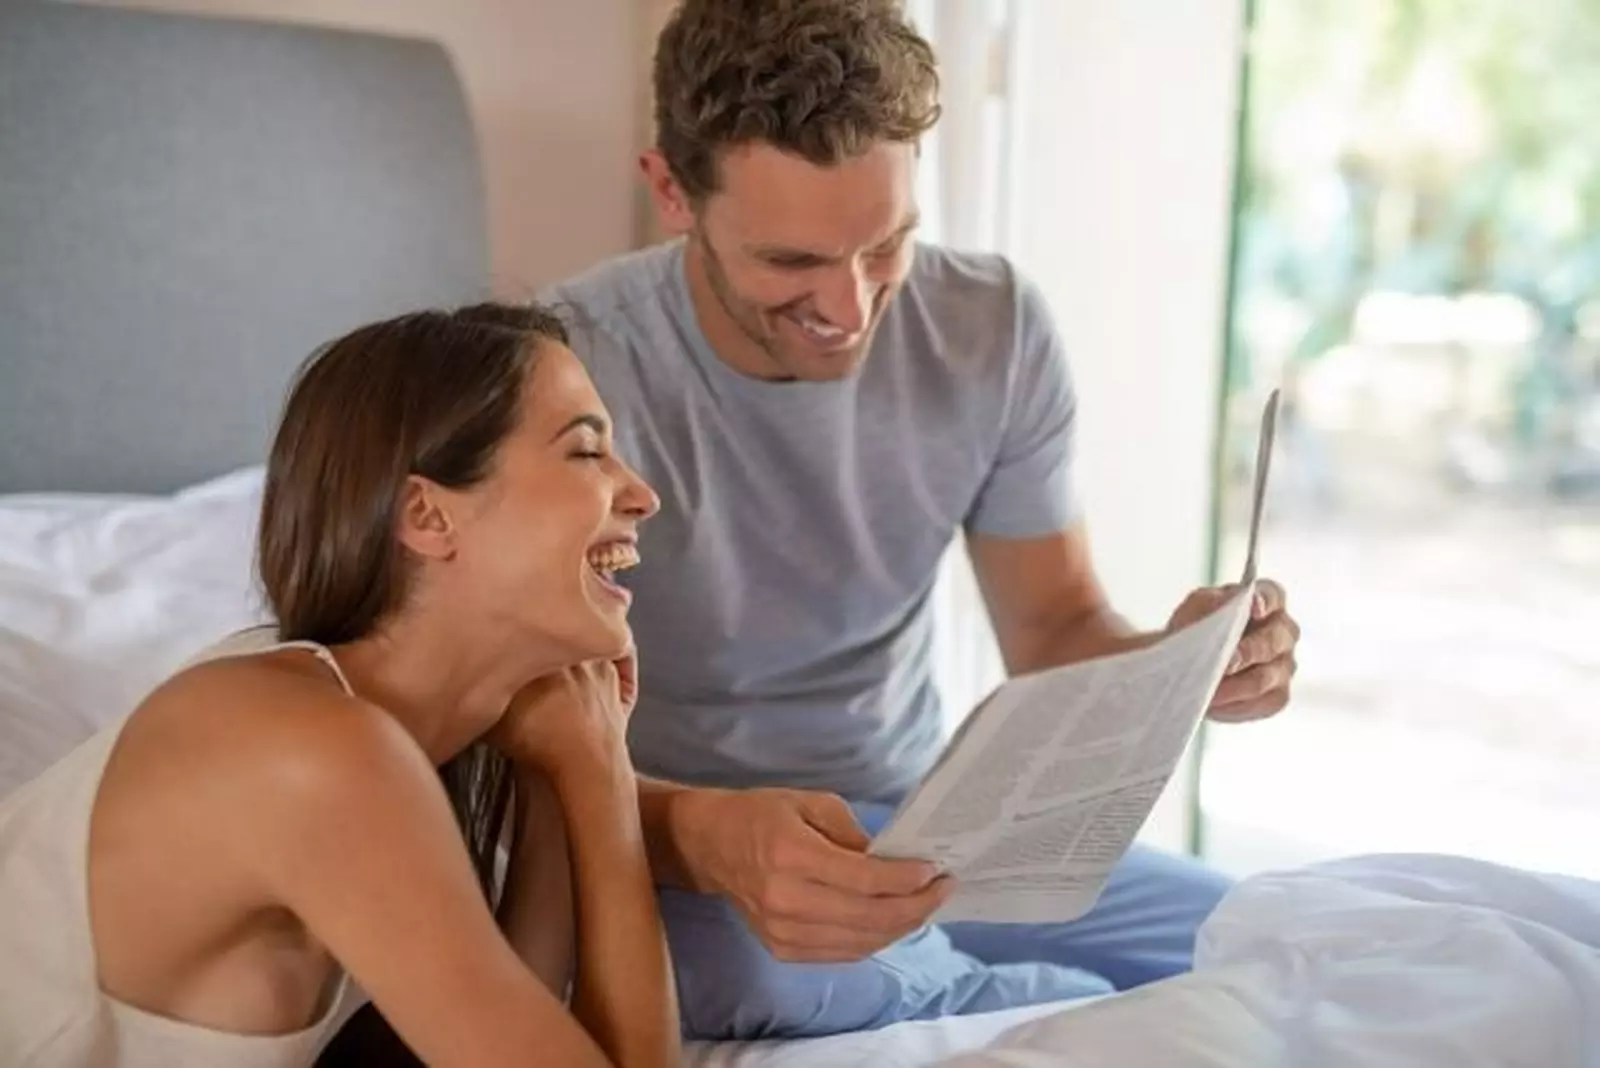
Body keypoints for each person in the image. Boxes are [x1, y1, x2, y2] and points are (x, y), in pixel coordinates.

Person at [537, 0, 1304, 1042]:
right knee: (772, 982)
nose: (850, 308)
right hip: (681, 844)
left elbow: (1056, 630)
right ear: (672, 192)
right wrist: (700, 834)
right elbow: (502, 737)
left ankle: (1026, 994)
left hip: (929, 828)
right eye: (791, 263)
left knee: (1271, 937)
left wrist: (1186, 664)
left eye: (885, 244)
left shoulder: (990, 326)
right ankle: (1049, 1010)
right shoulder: (565, 369)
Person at [0, 304, 680, 1067]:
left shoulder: (410, 740)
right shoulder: (310, 749)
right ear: (427, 515)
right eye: (587, 452)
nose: (642, 495)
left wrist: (571, 768)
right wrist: (600, 778)